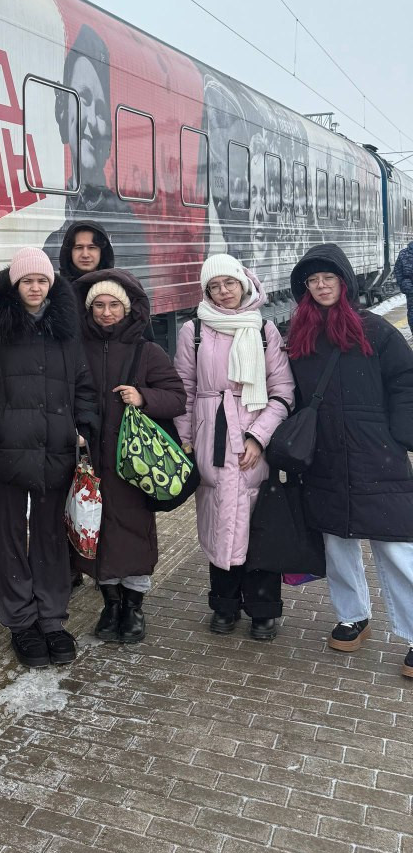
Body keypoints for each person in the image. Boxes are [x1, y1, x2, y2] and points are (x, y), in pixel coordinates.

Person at [0, 247, 98, 668]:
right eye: (27, 281)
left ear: (51, 284)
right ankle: (21, 622)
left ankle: (52, 619)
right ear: (15, 285)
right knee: (11, 538)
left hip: (57, 451)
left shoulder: (66, 332)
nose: (35, 288)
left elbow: (84, 387)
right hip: (7, 454)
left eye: (41, 281)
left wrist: (81, 428)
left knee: (51, 539)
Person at [287, 244, 413, 678]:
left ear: (344, 282)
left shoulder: (374, 330)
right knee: (336, 541)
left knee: (395, 544)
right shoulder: (300, 336)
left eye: (329, 278)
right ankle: (352, 616)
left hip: (376, 452)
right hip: (325, 454)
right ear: (305, 288)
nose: (321, 286)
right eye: (313, 280)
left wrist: (401, 434)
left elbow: (405, 379)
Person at [173, 254, 294, 641]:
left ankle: (263, 609)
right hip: (211, 438)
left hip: (254, 438)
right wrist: (187, 438)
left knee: (258, 524)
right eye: (214, 286)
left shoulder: (264, 330)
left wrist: (258, 436)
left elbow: (283, 391)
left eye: (229, 283)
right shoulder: (193, 330)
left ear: (244, 284)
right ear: (206, 292)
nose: (223, 291)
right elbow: (184, 390)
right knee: (218, 520)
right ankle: (224, 604)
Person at [75, 270, 186, 644]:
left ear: (128, 309)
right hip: (92, 461)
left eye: (114, 305)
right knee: (98, 531)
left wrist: (143, 397)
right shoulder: (78, 350)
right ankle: (110, 604)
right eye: (99, 305)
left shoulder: (147, 351)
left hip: (133, 464)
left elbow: (177, 397)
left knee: (135, 532)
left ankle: (134, 606)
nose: (106, 312)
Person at [394, 238, 413, 335]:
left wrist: (403, 283)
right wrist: (403, 283)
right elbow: (398, 270)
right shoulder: (404, 253)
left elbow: (397, 270)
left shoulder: (403, 253)